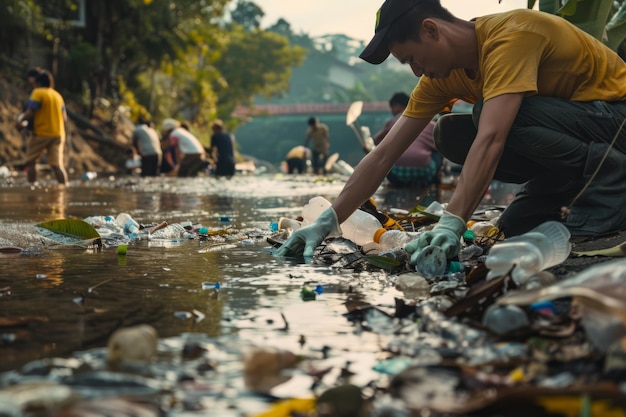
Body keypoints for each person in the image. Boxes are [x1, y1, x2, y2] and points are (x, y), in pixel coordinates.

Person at [276, 0, 626, 269]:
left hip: (616, 121)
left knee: (491, 115)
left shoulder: (513, 35)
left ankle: (613, 181)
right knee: (453, 134)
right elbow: (384, 154)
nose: (415, 70)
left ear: (431, 30)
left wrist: (451, 224)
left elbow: (492, 138)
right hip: (581, 130)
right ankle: (559, 185)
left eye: (412, 58)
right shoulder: (439, 78)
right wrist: (329, 220)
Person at [372, 92, 441, 187]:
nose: (392, 111)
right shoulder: (430, 122)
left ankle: (399, 183)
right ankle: (435, 179)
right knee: (438, 151)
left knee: (386, 152)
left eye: (392, 108)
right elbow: (440, 147)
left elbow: (376, 139)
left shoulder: (394, 121)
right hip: (425, 171)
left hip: (396, 172)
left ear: (396, 106)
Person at [15, 71, 68, 186]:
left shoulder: (38, 92)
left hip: (41, 133)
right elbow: (64, 117)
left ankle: (32, 186)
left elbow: (31, 110)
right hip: (58, 134)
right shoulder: (58, 95)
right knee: (57, 165)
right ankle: (64, 187)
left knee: (31, 161)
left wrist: (20, 120)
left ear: (38, 83)